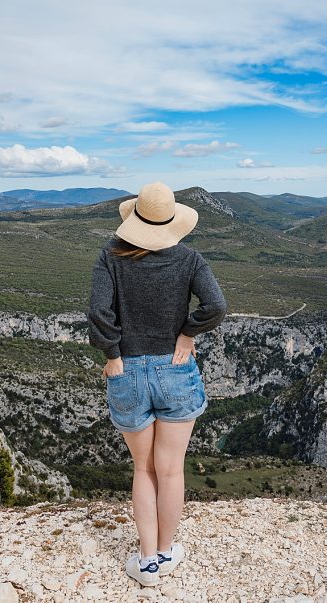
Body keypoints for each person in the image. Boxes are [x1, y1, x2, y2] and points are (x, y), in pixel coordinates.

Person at [86, 181, 228, 587]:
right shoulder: (189, 258)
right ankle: (167, 552)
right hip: (175, 368)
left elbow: (99, 313)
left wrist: (113, 356)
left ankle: (147, 562)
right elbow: (216, 305)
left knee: (142, 470)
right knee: (170, 471)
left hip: (127, 371)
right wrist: (187, 335)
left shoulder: (110, 256)